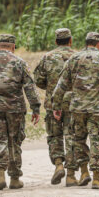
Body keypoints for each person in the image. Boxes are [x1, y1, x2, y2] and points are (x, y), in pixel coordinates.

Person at [52, 32, 99, 189]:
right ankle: (97, 178)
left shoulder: (74, 59)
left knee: (78, 140)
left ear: (86, 43)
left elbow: (61, 85)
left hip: (77, 108)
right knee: (97, 141)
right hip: (97, 109)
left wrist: (57, 106)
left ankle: (84, 172)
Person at [0, 34, 41, 190]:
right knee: (14, 142)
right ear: (13, 47)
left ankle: (0, 176)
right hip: (16, 109)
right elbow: (29, 87)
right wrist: (35, 107)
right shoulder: (20, 63)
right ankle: (14, 178)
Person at [34, 28, 77, 186]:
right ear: (70, 40)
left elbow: (38, 80)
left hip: (53, 103)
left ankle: (59, 164)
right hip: (73, 103)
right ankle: (71, 174)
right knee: (71, 136)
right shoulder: (76, 56)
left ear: (56, 41)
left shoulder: (47, 57)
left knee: (54, 136)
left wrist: (51, 86)